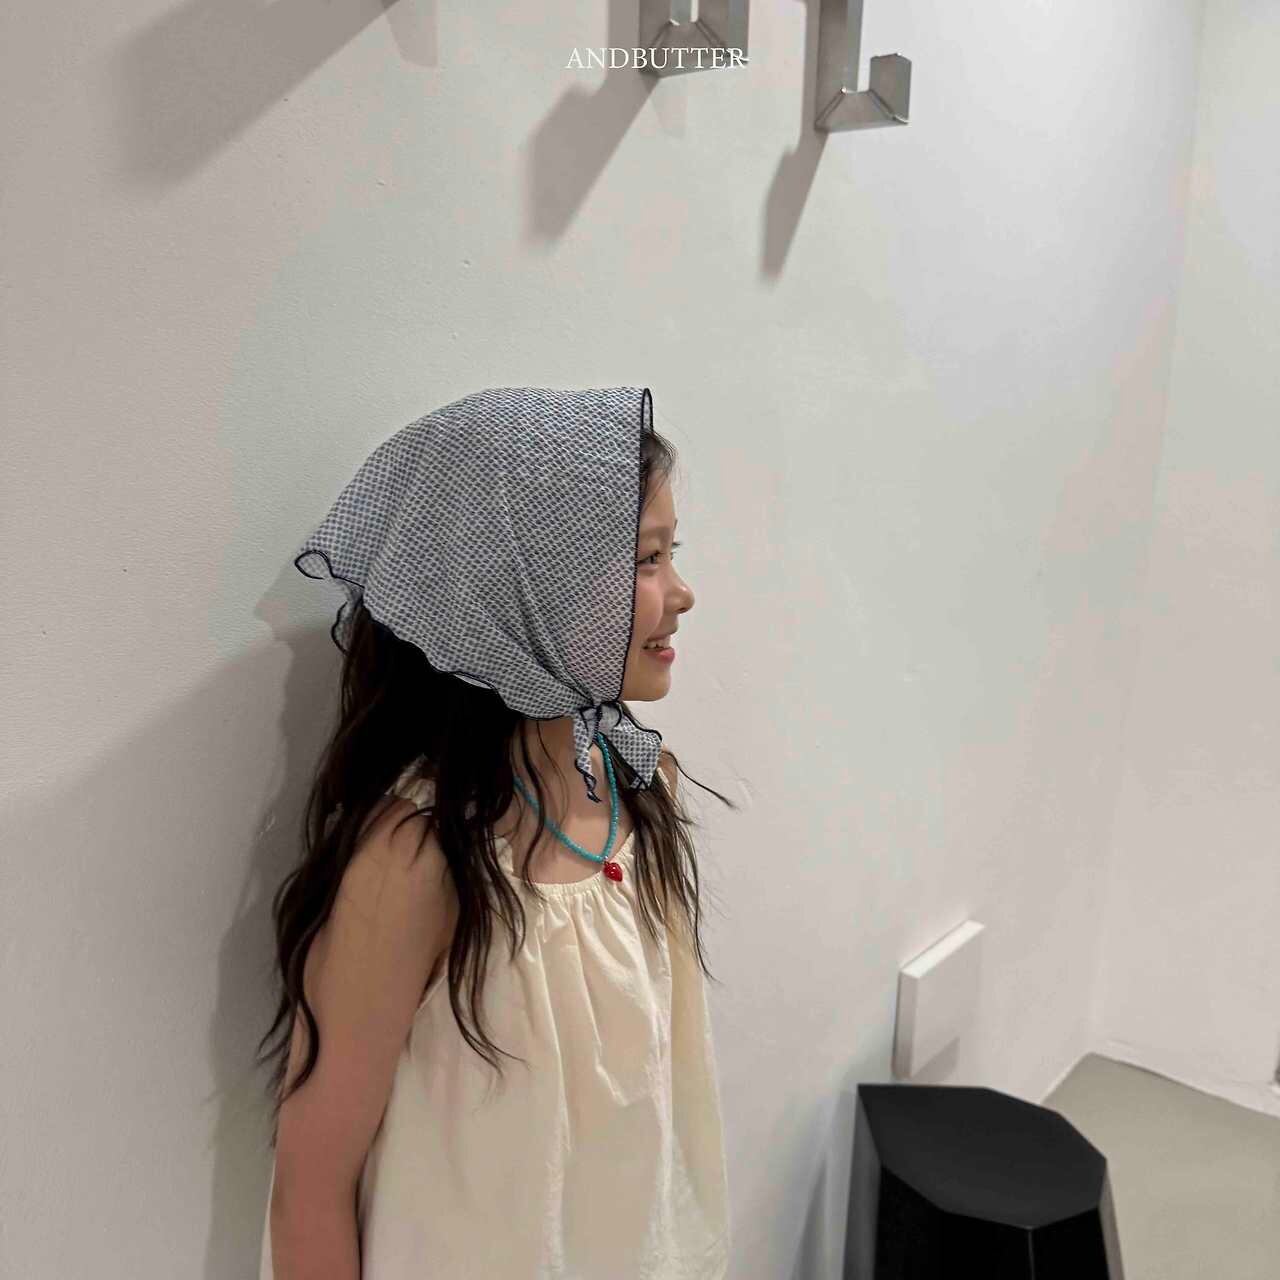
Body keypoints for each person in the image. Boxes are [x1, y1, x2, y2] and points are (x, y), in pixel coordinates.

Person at [254, 386, 738, 1278]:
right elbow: (311, 1186)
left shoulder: (638, 785)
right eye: (646, 559)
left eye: (672, 554)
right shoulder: (418, 862)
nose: (682, 594)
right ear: (523, 587)